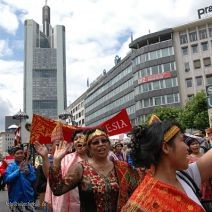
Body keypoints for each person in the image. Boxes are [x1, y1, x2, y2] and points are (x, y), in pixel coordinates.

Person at [122, 121, 212, 211]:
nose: (187, 147)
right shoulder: (143, 203)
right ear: (165, 148)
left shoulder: (185, 176)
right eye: (182, 140)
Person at [49, 128, 141, 212]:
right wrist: (56, 161)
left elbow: (139, 192)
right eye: (95, 142)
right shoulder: (81, 168)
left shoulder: (123, 167)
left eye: (104, 141)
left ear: (109, 144)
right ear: (88, 147)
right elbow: (58, 189)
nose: (101, 144)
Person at [34, 129, 88, 212]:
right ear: (73, 144)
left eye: (82, 138)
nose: (79, 141)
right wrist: (45, 158)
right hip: (62, 205)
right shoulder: (65, 159)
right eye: (76, 139)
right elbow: (51, 177)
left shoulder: (98, 159)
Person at [4, 146, 36, 211]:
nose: (20, 155)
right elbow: (7, 179)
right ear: (13, 155)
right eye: (17, 153)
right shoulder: (10, 167)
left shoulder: (29, 166)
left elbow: (34, 179)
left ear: (24, 154)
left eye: (21, 153)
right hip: (15, 199)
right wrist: (18, 170)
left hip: (28, 197)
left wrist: (28, 174)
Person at [186, 136, 212, 201]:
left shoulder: (205, 155)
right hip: (198, 186)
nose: (195, 145)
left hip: (209, 185)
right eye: (192, 144)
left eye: (196, 143)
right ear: (189, 147)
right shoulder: (188, 159)